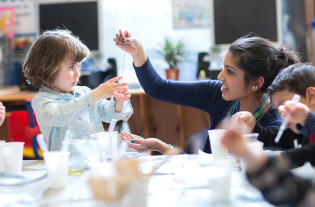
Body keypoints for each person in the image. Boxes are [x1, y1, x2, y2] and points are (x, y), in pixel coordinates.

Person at [114, 30, 300, 154]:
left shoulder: (276, 127)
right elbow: (159, 88)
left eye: (230, 71)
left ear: (256, 83)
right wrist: (137, 52)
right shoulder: (217, 92)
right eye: (223, 68)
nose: (220, 76)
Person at [23, 29, 133, 151]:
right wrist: (95, 95)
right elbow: (58, 115)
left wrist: (119, 101)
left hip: (95, 162)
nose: (78, 73)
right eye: (71, 67)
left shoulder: (84, 92)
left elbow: (110, 115)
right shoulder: (42, 100)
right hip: (66, 167)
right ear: (47, 69)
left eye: (79, 66)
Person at [221, 110, 315, 206]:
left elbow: (309, 152)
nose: (284, 116)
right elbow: (297, 191)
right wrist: (250, 156)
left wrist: (254, 159)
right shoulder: (293, 133)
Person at [233, 64, 315, 168]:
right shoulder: (295, 133)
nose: (283, 116)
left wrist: (264, 161)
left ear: (311, 96)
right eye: (279, 111)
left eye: (285, 106)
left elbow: (309, 153)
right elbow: (273, 139)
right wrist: (253, 126)